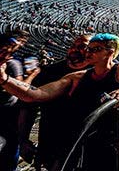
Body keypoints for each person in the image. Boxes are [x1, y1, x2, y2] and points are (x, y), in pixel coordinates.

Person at [0, 33, 119, 171]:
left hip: (110, 141)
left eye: (95, 49)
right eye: (89, 49)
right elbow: (36, 94)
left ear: (110, 52)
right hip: (79, 141)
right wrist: (4, 79)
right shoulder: (77, 77)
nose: (88, 52)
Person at [24, 34, 91, 170]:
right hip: (53, 140)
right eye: (73, 46)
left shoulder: (100, 72)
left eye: (82, 46)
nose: (74, 49)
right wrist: (23, 139)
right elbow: (28, 107)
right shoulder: (49, 71)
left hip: (88, 143)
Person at [0, 30, 29, 171]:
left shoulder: (12, 63)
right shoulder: (13, 63)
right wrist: (33, 75)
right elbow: (21, 88)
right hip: (7, 112)